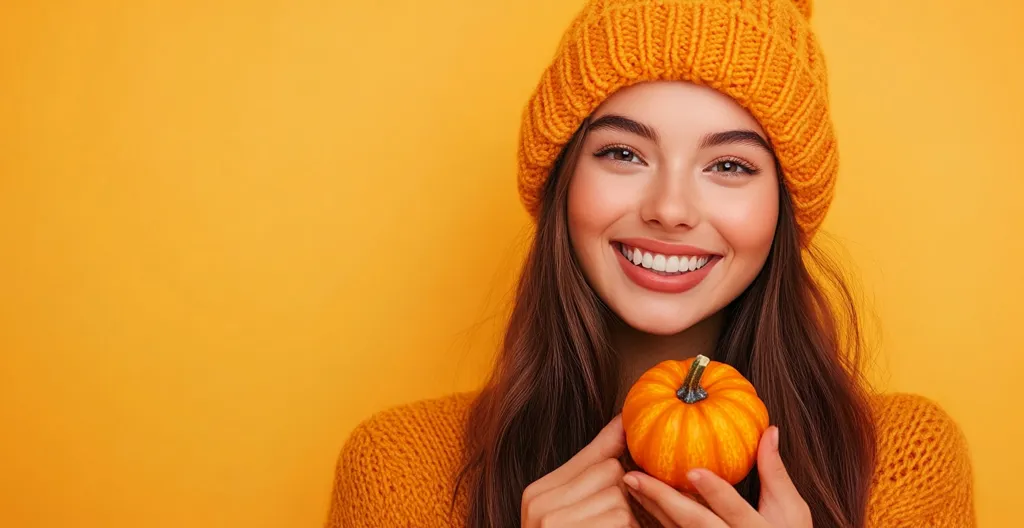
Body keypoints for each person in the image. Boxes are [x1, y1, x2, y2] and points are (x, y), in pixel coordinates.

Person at [324, 0, 976, 526]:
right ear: (563, 180)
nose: (669, 208)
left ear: (782, 208)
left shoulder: (901, 465)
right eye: (624, 154)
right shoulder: (403, 471)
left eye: (729, 166)